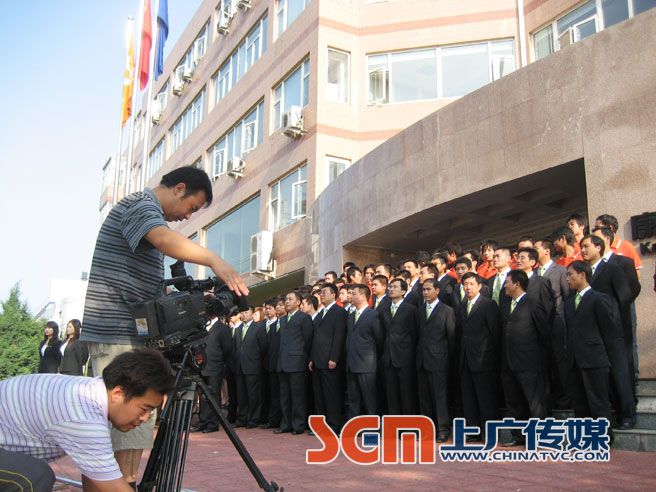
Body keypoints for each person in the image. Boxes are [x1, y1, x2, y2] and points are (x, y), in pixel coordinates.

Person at [79, 166, 248, 484]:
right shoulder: (140, 205)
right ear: (179, 188)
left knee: (125, 425)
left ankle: (123, 483)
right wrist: (215, 260)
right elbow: (163, 238)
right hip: (118, 333)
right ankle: (124, 485)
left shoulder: (147, 215)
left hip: (129, 335)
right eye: (191, 207)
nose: (188, 216)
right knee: (127, 419)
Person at [0, 349, 174, 492]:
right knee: (35, 477)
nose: (145, 418)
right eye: (144, 408)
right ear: (118, 394)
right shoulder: (84, 416)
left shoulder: (94, 394)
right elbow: (114, 488)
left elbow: (96, 478)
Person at [500, 270, 549, 447]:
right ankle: (518, 435)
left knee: (534, 403)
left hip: (528, 362)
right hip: (509, 362)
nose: (505, 286)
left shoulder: (533, 303)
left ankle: (540, 437)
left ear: (517, 284)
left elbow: (544, 333)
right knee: (514, 402)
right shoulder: (506, 305)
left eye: (507, 282)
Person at [458, 273, 501, 439]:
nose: (468, 287)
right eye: (465, 284)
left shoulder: (488, 304)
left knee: (486, 397)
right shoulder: (462, 305)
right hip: (465, 358)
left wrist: (492, 356)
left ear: (479, 286)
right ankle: (473, 431)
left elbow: (495, 332)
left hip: (484, 359)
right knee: (468, 397)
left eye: (471, 284)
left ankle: (489, 432)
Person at [416, 278, 455, 442]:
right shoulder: (419, 311)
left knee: (440, 397)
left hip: (439, 361)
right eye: (423, 290)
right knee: (424, 398)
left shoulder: (447, 311)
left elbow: (451, 338)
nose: (425, 292)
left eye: (428, 289)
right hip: (422, 360)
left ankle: (443, 429)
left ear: (437, 291)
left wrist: (447, 360)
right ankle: (427, 428)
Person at [309, 284, 347, 434]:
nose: (321, 294)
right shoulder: (320, 313)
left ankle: (333, 425)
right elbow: (315, 338)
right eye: (320, 292)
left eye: (324, 292)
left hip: (330, 361)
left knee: (331, 395)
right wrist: (311, 358)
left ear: (333, 295)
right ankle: (320, 425)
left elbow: (339, 336)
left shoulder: (339, 312)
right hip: (317, 360)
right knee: (319, 395)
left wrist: (334, 358)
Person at [276, 291, 313, 435]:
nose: (286, 301)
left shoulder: (304, 318)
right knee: (284, 397)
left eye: (290, 299)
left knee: (298, 397)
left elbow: (308, 339)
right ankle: (285, 424)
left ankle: (298, 425)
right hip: (283, 362)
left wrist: (305, 358)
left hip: (297, 362)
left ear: (298, 302)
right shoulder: (283, 319)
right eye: (286, 299)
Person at [381, 278, 418, 417]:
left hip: (405, 357)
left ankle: (407, 423)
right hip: (388, 357)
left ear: (403, 291)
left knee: (406, 393)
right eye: (390, 287)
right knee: (391, 394)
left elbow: (415, 334)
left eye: (395, 287)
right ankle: (393, 423)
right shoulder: (384, 309)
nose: (391, 289)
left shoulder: (410, 309)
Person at [345, 284, 383, 418]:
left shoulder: (373, 315)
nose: (350, 296)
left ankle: (373, 425)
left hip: (366, 365)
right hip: (351, 364)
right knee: (353, 399)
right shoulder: (351, 316)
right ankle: (353, 425)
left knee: (369, 399)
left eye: (354, 293)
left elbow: (379, 340)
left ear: (362, 296)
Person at [192, 317, 233, 434]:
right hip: (201, 367)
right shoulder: (200, 326)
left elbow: (227, 348)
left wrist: (220, 362)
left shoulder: (223, 328)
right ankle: (203, 421)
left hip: (215, 366)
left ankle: (213, 423)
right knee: (202, 396)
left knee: (214, 396)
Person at [233, 306, 268, 429]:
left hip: (253, 366)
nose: (243, 314)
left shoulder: (258, 328)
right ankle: (242, 419)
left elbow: (263, 347)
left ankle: (253, 419)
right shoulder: (238, 329)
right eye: (241, 312)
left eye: (246, 312)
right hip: (239, 366)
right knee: (241, 394)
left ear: (252, 314)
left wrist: (256, 360)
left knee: (253, 395)